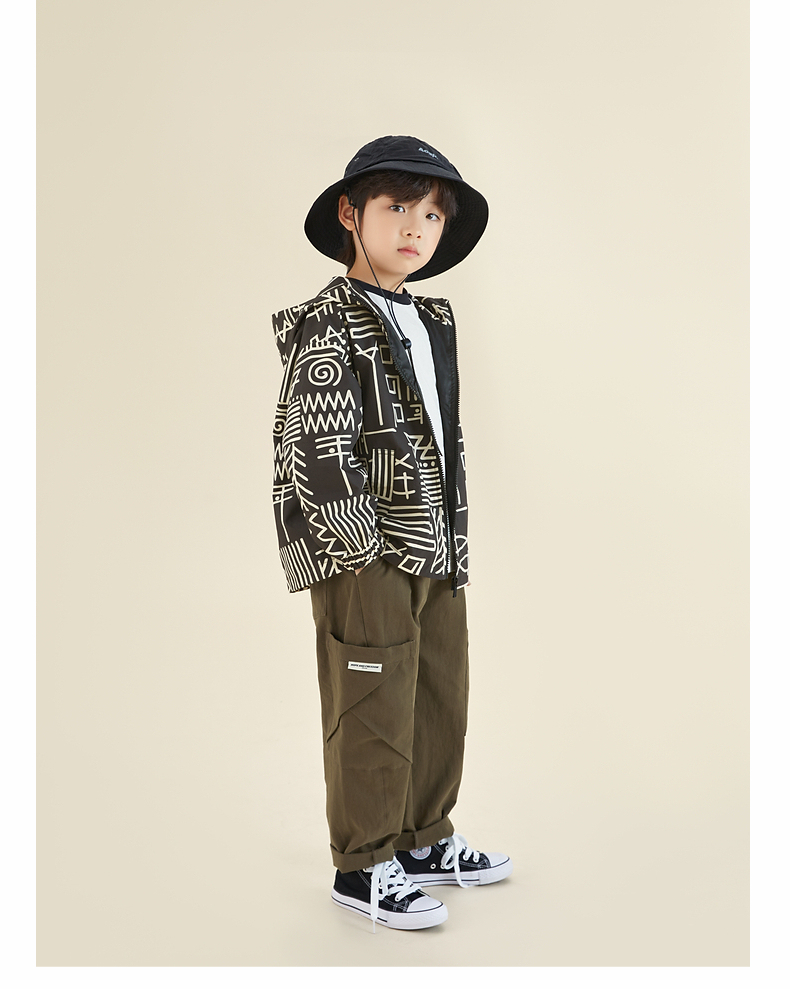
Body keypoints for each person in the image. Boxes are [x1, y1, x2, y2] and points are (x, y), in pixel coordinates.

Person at [270, 135, 512, 931]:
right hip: (365, 547)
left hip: (436, 539)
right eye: (398, 206)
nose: (416, 226)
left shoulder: (429, 319)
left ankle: (423, 837)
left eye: (433, 214)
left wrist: (452, 534)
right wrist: (356, 551)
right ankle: (363, 862)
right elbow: (313, 440)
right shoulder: (327, 321)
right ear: (351, 214)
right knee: (371, 696)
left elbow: (441, 434)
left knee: (440, 687)